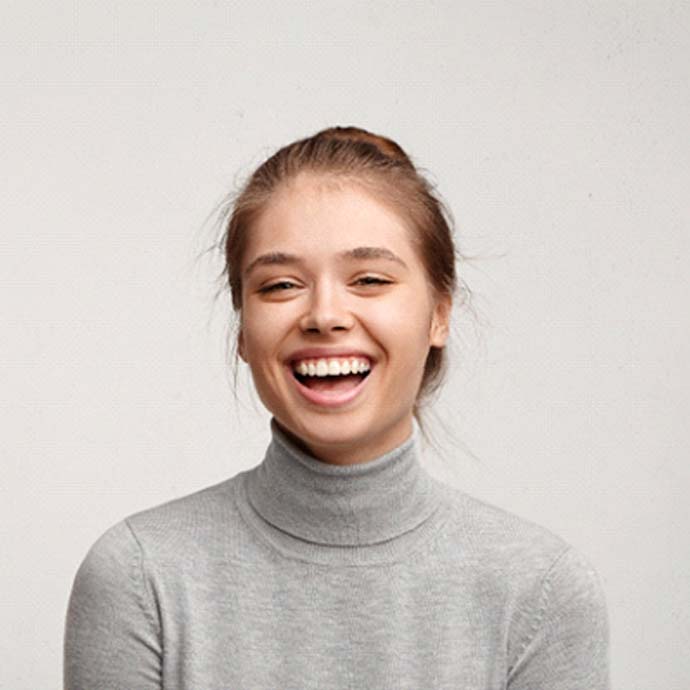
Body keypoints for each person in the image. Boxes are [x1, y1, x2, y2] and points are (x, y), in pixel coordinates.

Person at [63, 126, 610, 689]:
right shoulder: (140, 576)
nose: (325, 314)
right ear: (243, 332)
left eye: (369, 279)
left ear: (439, 313)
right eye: (280, 286)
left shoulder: (540, 592)